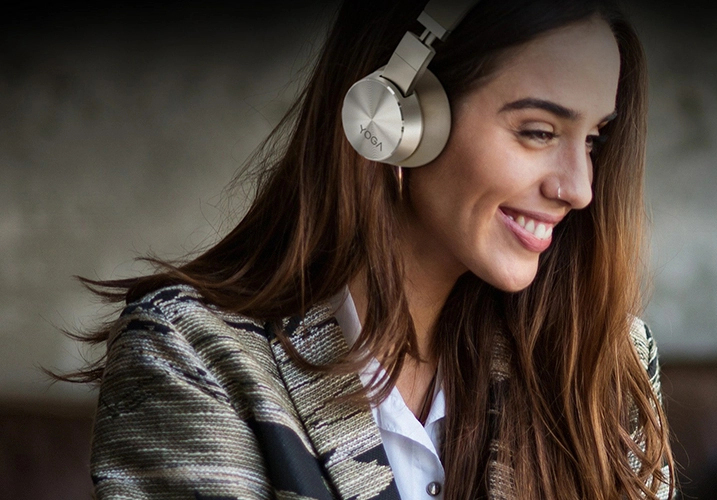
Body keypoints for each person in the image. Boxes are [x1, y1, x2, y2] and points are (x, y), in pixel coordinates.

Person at [61, 0, 674, 498]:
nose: (579, 189)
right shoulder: (192, 359)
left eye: (593, 140)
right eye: (538, 132)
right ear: (397, 117)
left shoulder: (604, 357)